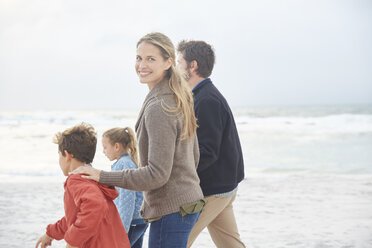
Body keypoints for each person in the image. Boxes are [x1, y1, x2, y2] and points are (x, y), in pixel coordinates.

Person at [72, 32, 205, 248]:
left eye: (151, 59)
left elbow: (156, 175)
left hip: (172, 210)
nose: (142, 65)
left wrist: (101, 176)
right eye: (139, 58)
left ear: (168, 62)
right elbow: (194, 156)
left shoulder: (160, 106)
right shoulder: (175, 97)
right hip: (185, 204)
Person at [177, 40, 246, 248]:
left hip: (214, 189)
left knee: (176, 242)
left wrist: (178, 178)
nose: (176, 67)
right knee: (230, 245)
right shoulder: (199, 96)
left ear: (193, 66)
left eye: (179, 62)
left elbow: (207, 152)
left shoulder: (207, 100)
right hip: (221, 186)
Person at [35, 123, 130, 248]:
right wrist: (51, 233)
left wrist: (73, 241)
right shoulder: (93, 178)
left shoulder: (77, 180)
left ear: (67, 155)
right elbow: (74, 218)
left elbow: (95, 206)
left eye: (59, 155)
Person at [102, 126, 148, 248]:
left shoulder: (124, 165)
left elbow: (127, 202)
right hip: (138, 221)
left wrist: (121, 230)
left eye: (105, 147)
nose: (103, 152)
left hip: (131, 223)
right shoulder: (126, 162)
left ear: (117, 146)